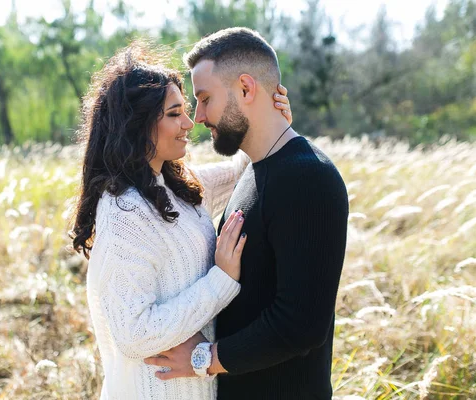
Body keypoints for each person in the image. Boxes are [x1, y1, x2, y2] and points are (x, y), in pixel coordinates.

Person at [70, 42, 293, 400]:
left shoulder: (172, 187)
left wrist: (272, 120)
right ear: (138, 125)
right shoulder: (124, 213)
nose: (190, 123)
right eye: (174, 114)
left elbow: (242, 170)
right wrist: (220, 282)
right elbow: (134, 334)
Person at [143, 27, 349, 400]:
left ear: (246, 89)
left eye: (205, 99)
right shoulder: (255, 170)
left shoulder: (308, 178)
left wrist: (204, 359)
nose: (199, 117)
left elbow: (300, 324)